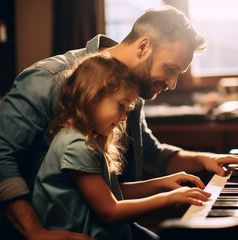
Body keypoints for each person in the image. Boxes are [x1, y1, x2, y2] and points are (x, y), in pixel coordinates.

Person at [0, 5, 238, 240]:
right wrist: (36, 232)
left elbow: (150, 153)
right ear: (143, 46)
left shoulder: (130, 91)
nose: (173, 83)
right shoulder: (51, 78)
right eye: (170, 69)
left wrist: (206, 159)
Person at [31, 52, 211, 240]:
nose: (124, 117)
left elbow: (111, 192)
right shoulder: (75, 146)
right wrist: (168, 199)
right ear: (93, 96)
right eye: (121, 106)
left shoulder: (84, 140)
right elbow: (110, 211)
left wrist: (163, 183)